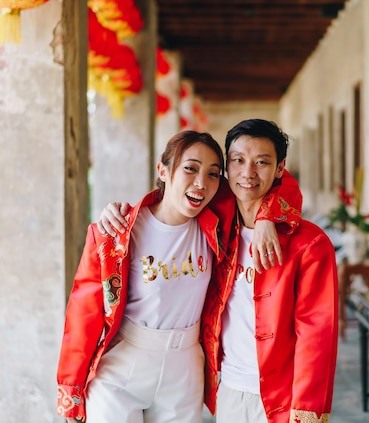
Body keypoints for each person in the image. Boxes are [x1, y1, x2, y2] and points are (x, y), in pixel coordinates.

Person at [98, 119, 339, 423]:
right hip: (228, 390)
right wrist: (115, 213)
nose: (248, 173)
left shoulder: (310, 245)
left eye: (262, 162)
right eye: (237, 161)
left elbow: (317, 335)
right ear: (226, 169)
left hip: (283, 397)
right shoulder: (217, 223)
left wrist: (306, 413)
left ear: (280, 168)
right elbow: (175, 194)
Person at [57, 130, 301, 423]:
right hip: (123, 365)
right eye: (190, 168)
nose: (201, 183)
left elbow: (273, 181)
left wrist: (266, 217)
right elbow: (82, 314)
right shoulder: (117, 234)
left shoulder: (217, 221)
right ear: (163, 170)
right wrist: (70, 390)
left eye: (213, 174)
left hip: (185, 368)